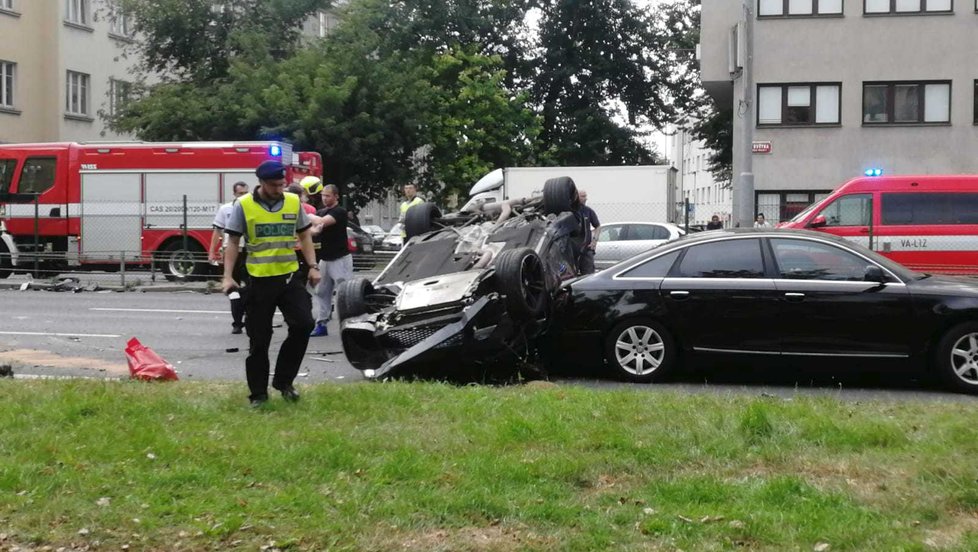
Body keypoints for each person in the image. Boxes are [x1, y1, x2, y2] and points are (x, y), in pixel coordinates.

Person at [222, 160, 321, 408]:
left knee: (304, 324)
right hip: (258, 281)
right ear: (262, 183)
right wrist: (227, 276)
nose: (280, 189)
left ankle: (284, 381)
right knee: (259, 339)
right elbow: (233, 242)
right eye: (275, 185)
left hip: (289, 277)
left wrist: (313, 266)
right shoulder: (243, 205)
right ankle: (258, 394)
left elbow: (304, 235)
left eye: (282, 184)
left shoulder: (292, 201)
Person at [310, 184, 353, 337]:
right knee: (321, 291)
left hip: (340, 258)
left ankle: (350, 325)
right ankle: (322, 323)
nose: (324, 198)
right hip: (325, 259)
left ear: (336, 196)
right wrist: (313, 228)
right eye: (323, 195)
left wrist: (306, 214)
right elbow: (314, 229)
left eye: (328, 196)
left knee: (344, 292)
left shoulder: (339, 212)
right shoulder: (321, 211)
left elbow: (322, 221)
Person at [210, 181, 250, 333]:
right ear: (234, 194)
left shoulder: (252, 208)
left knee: (249, 287)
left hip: (248, 250)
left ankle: (248, 315)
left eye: (246, 193)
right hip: (231, 251)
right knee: (233, 289)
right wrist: (212, 251)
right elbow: (217, 230)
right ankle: (237, 323)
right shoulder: (226, 209)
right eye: (240, 193)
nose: (243, 196)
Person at [577, 190, 601, 275]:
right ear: (576, 197)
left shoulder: (588, 211)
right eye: (583, 196)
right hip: (572, 252)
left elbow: (598, 226)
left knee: (589, 276)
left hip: (586, 249)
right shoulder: (570, 211)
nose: (586, 199)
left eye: (585, 196)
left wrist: (594, 241)